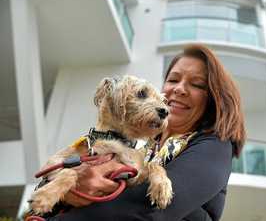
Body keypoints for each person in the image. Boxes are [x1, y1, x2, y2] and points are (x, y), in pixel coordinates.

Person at [47, 44, 246, 221]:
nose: (179, 89)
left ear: (213, 98)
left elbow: (148, 210)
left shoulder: (214, 146)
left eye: (197, 84)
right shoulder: (138, 142)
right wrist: (66, 188)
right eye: (173, 79)